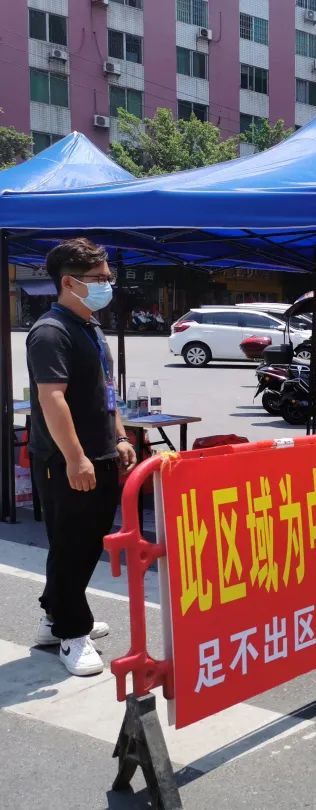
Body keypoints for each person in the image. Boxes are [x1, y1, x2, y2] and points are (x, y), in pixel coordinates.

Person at [27, 239, 137, 676]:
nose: (107, 285)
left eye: (109, 278)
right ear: (68, 283)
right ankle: (72, 633)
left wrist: (121, 435)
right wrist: (75, 458)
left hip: (101, 453)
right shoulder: (50, 332)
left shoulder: (90, 327)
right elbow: (53, 400)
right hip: (67, 461)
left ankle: (54, 617)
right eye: (98, 280)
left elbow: (106, 391)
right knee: (72, 545)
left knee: (86, 542)